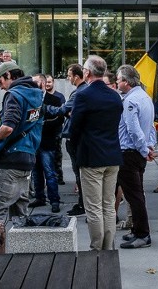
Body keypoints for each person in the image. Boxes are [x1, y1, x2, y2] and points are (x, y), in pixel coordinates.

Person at [0, 62, 44, 255]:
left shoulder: (14, 94)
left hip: (10, 160)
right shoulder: (36, 94)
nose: (1, 87)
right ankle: (23, 258)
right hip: (28, 158)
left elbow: (8, 126)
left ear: (8, 75)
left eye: (0, 81)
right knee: (20, 214)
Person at [68, 56, 124, 250]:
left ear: (87, 72)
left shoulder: (84, 95)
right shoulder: (115, 95)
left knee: (93, 207)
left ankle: (97, 249)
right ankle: (108, 248)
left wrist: (75, 150)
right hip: (112, 156)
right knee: (108, 206)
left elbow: (74, 128)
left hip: (92, 157)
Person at [115, 65, 157, 249]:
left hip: (130, 153)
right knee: (136, 194)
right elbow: (151, 127)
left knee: (134, 196)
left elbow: (134, 129)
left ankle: (142, 234)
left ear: (126, 82)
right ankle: (137, 230)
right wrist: (148, 147)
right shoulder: (145, 97)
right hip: (137, 152)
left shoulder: (131, 100)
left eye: (118, 79)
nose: (116, 82)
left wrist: (143, 148)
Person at [46, 64, 88, 216]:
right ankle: (83, 203)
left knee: (79, 172)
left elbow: (62, 110)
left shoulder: (79, 92)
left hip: (75, 138)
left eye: (69, 76)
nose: (68, 78)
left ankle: (83, 204)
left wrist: (45, 108)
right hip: (78, 137)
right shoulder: (82, 91)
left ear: (76, 76)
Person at [30, 73, 64, 213]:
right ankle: (39, 197)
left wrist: (42, 125)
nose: (33, 85)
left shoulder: (54, 100)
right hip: (33, 143)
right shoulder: (30, 99)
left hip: (47, 141)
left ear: (43, 83)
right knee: (36, 172)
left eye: (36, 82)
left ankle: (54, 200)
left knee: (50, 172)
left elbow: (59, 119)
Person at [45, 75, 67, 185]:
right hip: (44, 131)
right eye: (46, 82)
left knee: (57, 154)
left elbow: (63, 112)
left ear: (53, 82)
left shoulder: (59, 96)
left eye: (49, 82)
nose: (47, 84)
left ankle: (59, 176)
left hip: (56, 130)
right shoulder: (42, 96)